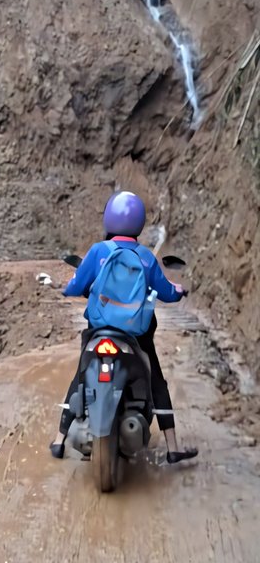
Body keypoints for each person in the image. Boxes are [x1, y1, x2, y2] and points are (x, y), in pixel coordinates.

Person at [48, 191, 198, 465]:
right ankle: (173, 446)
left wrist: (66, 290)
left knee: (81, 374)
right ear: (139, 223)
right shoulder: (146, 257)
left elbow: (76, 286)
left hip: (98, 331)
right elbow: (166, 293)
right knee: (156, 381)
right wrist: (179, 291)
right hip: (136, 334)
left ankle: (59, 441)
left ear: (109, 220)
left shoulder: (98, 252)